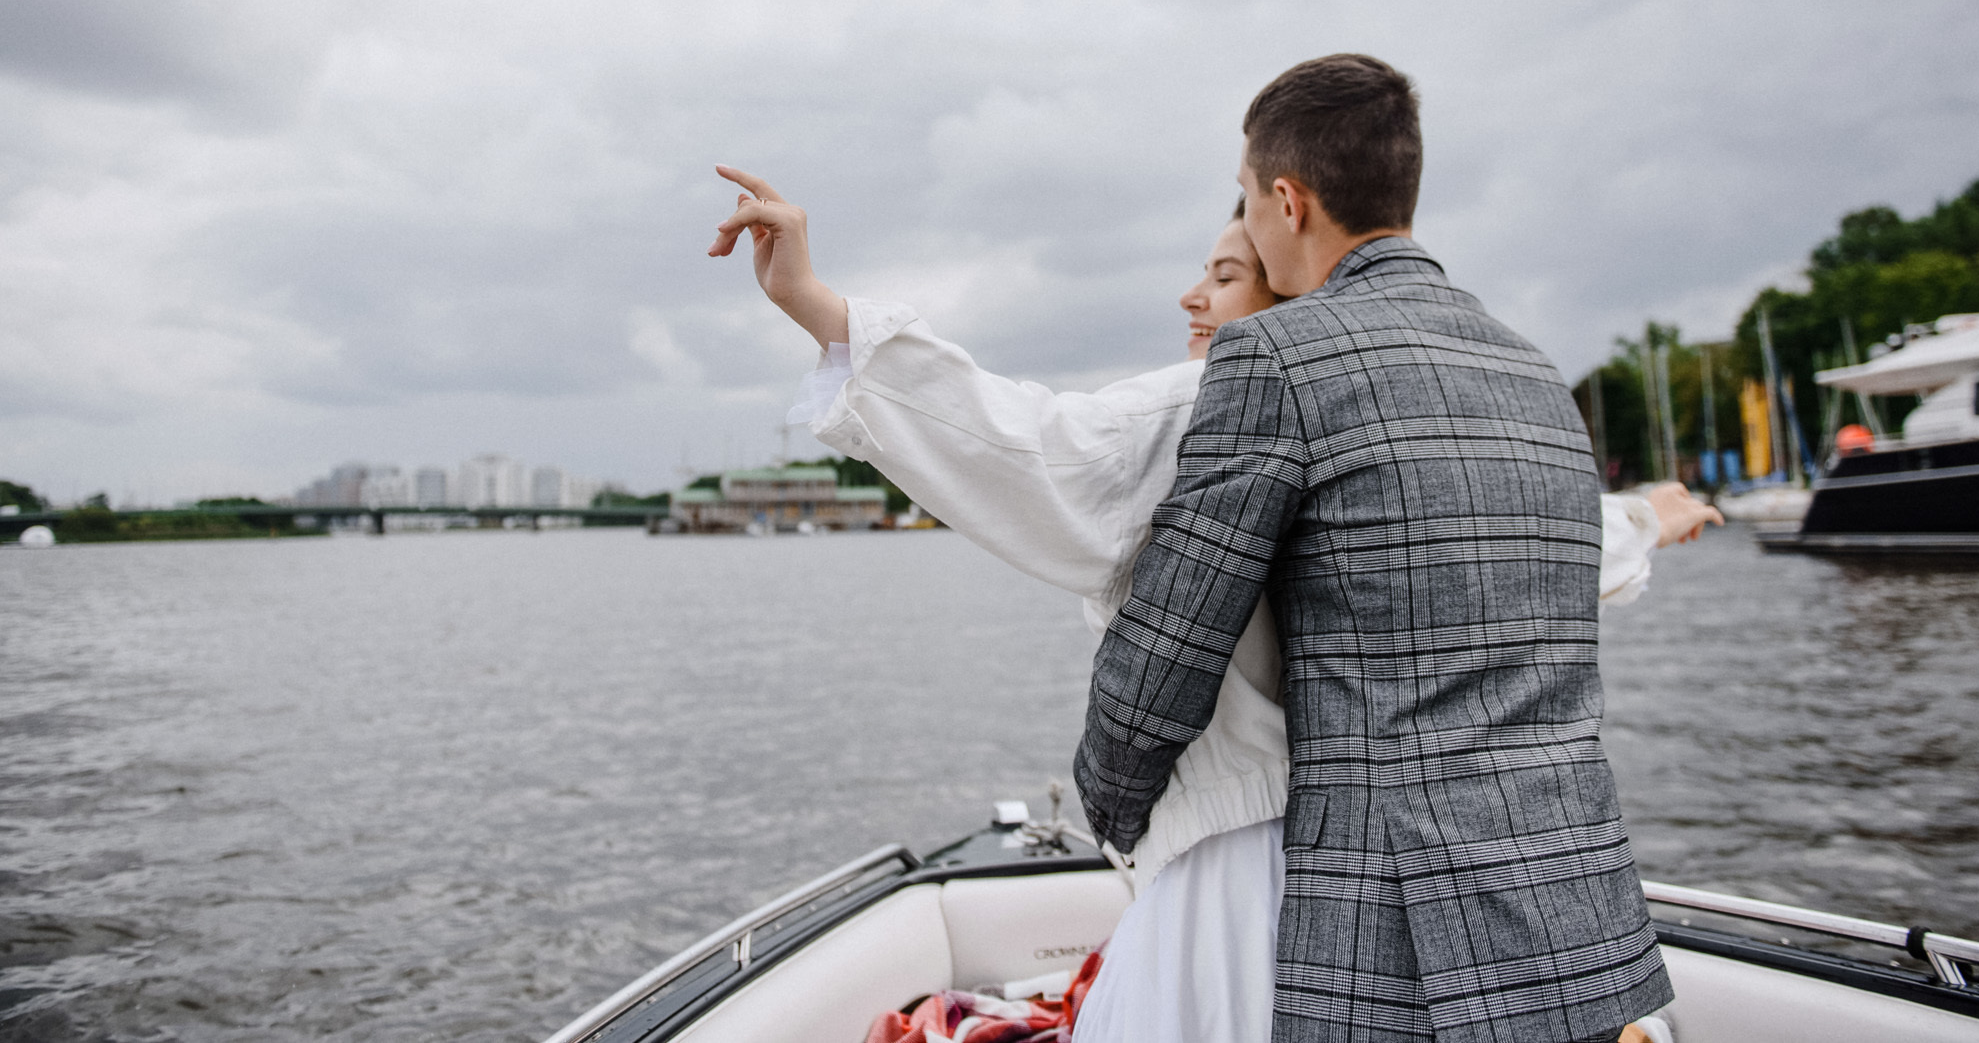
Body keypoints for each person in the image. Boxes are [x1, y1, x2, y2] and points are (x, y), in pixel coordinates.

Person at [707, 152, 1716, 1043]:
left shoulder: (1218, 395)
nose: (1192, 296)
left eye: (1225, 273)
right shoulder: (1417, 414)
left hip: (1246, 882)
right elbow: (1550, 542)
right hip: (1409, 878)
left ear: (1289, 284)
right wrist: (1645, 519)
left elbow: (1035, 448)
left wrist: (814, 303)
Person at [1073, 55, 1675, 1043]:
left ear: (1286, 197)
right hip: (1583, 913)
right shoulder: (1534, 370)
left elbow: (1172, 641)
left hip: (1392, 936)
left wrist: (1112, 799)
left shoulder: (1273, 353)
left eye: (1250, 202)